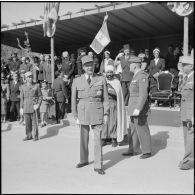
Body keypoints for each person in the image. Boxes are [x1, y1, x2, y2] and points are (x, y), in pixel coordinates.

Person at [71, 55, 109, 175]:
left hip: (97, 111)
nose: (90, 68)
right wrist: (75, 115)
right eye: (87, 66)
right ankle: (84, 160)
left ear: (94, 65)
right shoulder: (77, 80)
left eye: (91, 65)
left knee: (97, 140)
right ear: (83, 67)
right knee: (83, 138)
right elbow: (73, 99)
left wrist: (106, 113)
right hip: (82, 112)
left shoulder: (101, 79)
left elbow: (106, 98)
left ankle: (98, 165)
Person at [122, 56, 152, 159]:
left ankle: (147, 151)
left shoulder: (142, 76)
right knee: (132, 130)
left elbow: (143, 95)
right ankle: (133, 149)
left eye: (130, 64)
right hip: (132, 107)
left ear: (134, 65)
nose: (129, 66)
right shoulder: (135, 76)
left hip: (139, 108)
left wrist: (138, 108)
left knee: (142, 128)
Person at [101, 62, 127, 147]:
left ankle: (113, 138)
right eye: (108, 72)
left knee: (113, 121)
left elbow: (118, 94)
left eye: (111, 72)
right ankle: (104, 138)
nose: (109, 74)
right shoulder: (102, 80)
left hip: (113, 103)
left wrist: (109, 89)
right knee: (105, 121)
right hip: (104, 104)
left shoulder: (116, 82)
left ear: (113, 73)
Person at [178, 56, 194, 170]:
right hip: (185, 112)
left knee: (190, 136)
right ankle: (188, 158)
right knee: (186, 137)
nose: (182, 67)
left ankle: (189, 160)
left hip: (191, 113)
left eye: (184, 65)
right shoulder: (186, 78)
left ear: (191, 66)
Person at [20, 71, 42, 141]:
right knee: (27, 123)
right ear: (25, 78)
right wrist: (21, 107)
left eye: (31, 76)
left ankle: (35, 136)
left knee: (35, 122)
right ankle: (29, 135)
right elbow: (22, 98)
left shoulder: (36, 85)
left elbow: (40, 96)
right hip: (26, 106)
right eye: (29, 77)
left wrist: (38, 104)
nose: (30, 78)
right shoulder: (22, 87)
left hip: (34, 105)